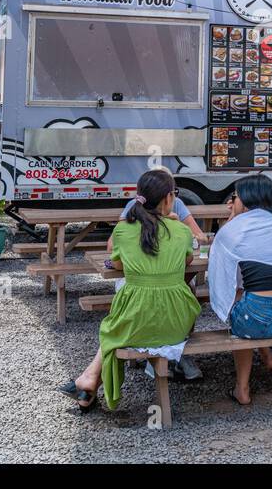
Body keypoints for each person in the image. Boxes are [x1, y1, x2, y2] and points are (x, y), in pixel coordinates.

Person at [59, 169, 199, 412]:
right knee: (124, 326)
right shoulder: (182, 232)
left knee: (114, 329)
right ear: (169, 198)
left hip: (138, 316)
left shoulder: (124, 231)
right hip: (178, 322)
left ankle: (89, 380)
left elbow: (118, 264)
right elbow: (186, 262)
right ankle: (88, 382)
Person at [207, 175, 272, 406]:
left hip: (255, 321)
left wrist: (232, 217)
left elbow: (220, 278)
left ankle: (242, 388)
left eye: (235, 197)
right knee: (255, 294)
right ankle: (269, 355)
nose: (233, 201)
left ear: (247, 199)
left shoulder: (233, 230)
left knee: (239, 297)